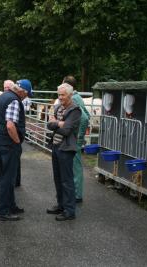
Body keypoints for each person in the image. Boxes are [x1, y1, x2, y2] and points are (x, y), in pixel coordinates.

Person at [0, 83, 28, 221]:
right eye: (27, 95)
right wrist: (17, 142)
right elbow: (10, 125)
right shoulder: (14, 100)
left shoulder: (3, 96)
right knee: (8, 178)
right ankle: (2, 211)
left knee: (5, 175)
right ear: (22, 92)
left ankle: (11, 205)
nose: (25, 98)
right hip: (9, 144)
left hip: (0, 142)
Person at [46, 83, 81, 221]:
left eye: (63, 95)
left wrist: (57, 123)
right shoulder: (58, 107)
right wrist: (59, 123)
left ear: (70, 95)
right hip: (56, 146)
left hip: (66, 148)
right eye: (59, 94)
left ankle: (69, 210)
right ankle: (61, 205)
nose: (60, 97)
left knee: (66, 180)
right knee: (57, 178)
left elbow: (67, 130)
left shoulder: (75, 110)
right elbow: (49, 124)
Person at [63, 75, 90, 203]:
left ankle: (76, 194)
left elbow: (84, 118)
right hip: (76, 137)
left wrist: (78, 136)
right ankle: (76, 193)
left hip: (74, 139)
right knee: (76, 164)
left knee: (75, 165)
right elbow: (88, 115)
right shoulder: (78, 97)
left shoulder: (73, 99)